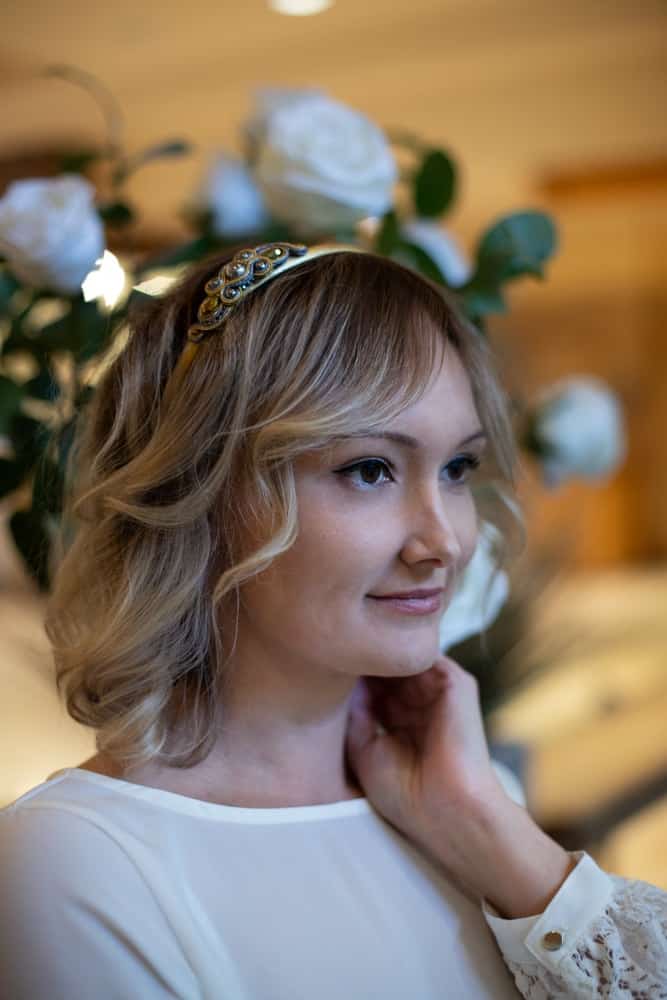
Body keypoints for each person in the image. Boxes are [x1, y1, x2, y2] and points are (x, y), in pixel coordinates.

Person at [0, 242, 665, 999]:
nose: (443, 540)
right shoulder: (78, 863)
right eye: (369, 470)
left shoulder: (471, 807)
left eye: (457, 469)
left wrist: (488, 823)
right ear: (199, 493)